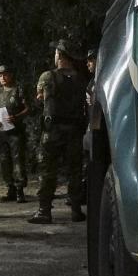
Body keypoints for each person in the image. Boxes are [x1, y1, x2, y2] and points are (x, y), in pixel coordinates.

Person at [28, 40, 88, 223]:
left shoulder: (48, 77)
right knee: (75, 171)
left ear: (60, 56)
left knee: (48, 171)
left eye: (56, 53)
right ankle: (76, 210)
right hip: (75, 131)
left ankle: (44, 211)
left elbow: (39, 100)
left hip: (53, 132)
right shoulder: (81, 79)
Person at [0, 65, 29, 203]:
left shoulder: (18, 90)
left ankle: (20, 190)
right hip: (1, 132)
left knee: (18, 160)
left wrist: (16, 117)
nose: (2, 77)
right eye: (0, 75)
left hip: (15, 131)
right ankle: (10, 188)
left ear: (10, 75)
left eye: (5, 74)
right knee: (4, 160)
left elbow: (27, 108)